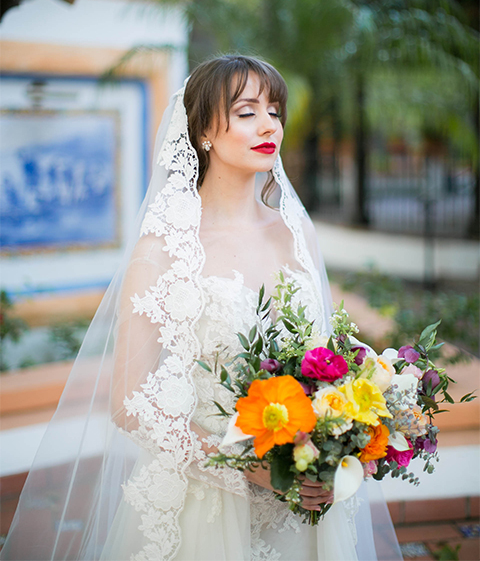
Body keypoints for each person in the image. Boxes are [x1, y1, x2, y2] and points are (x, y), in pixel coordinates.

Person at [2, 55, 402, 561]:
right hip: (206, 505)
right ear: (203, 132)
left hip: (305, 504)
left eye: (275, 110)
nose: (269, 125)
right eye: (246, 111)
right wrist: (244, 466)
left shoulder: (296, 233)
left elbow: (324, 359)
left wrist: (331, 446)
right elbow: (130, 403)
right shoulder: (163, 248)